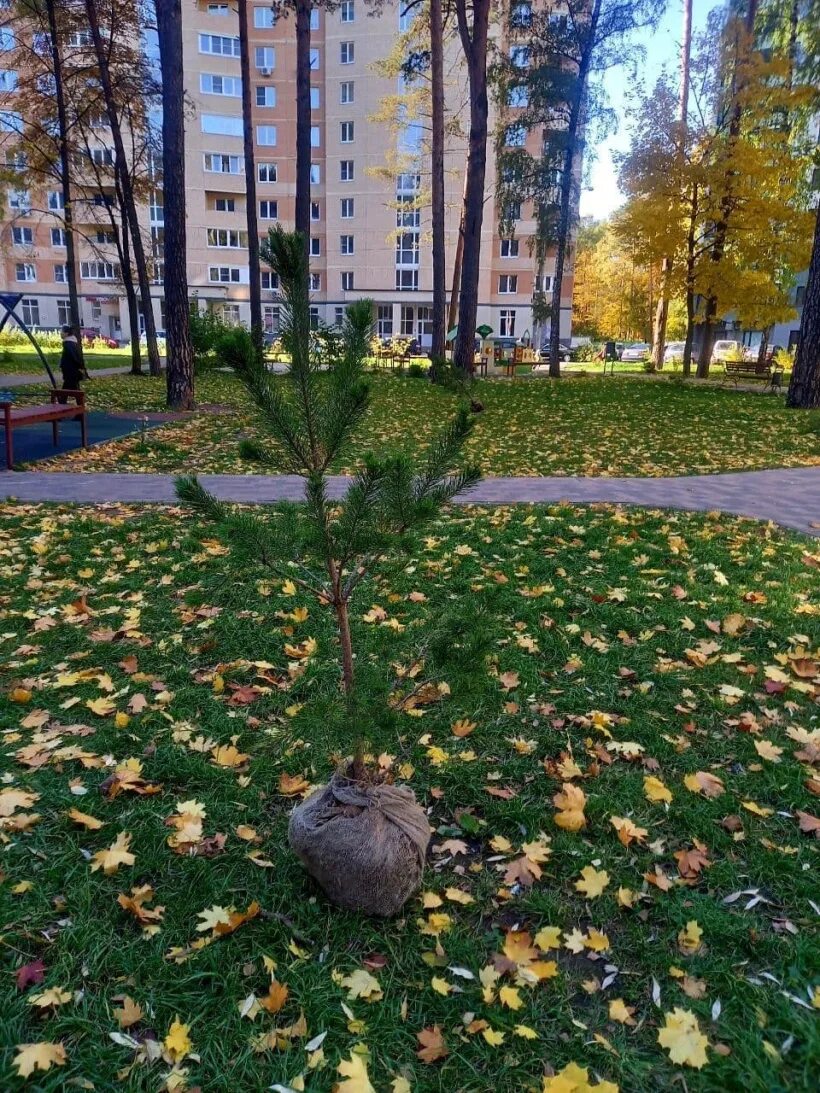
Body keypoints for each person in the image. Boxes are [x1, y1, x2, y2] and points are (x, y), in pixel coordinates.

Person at [58, 325, 87, 402]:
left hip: (70, 370)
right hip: (71, 370)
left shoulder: (68, 343)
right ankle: (64, 402)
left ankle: (63, 403)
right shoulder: (71, 342)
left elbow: (73, 356)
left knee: (68, 386)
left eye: (62, 332)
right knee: (72, 387)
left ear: (66, 333)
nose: (60, 333)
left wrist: (80, 366)